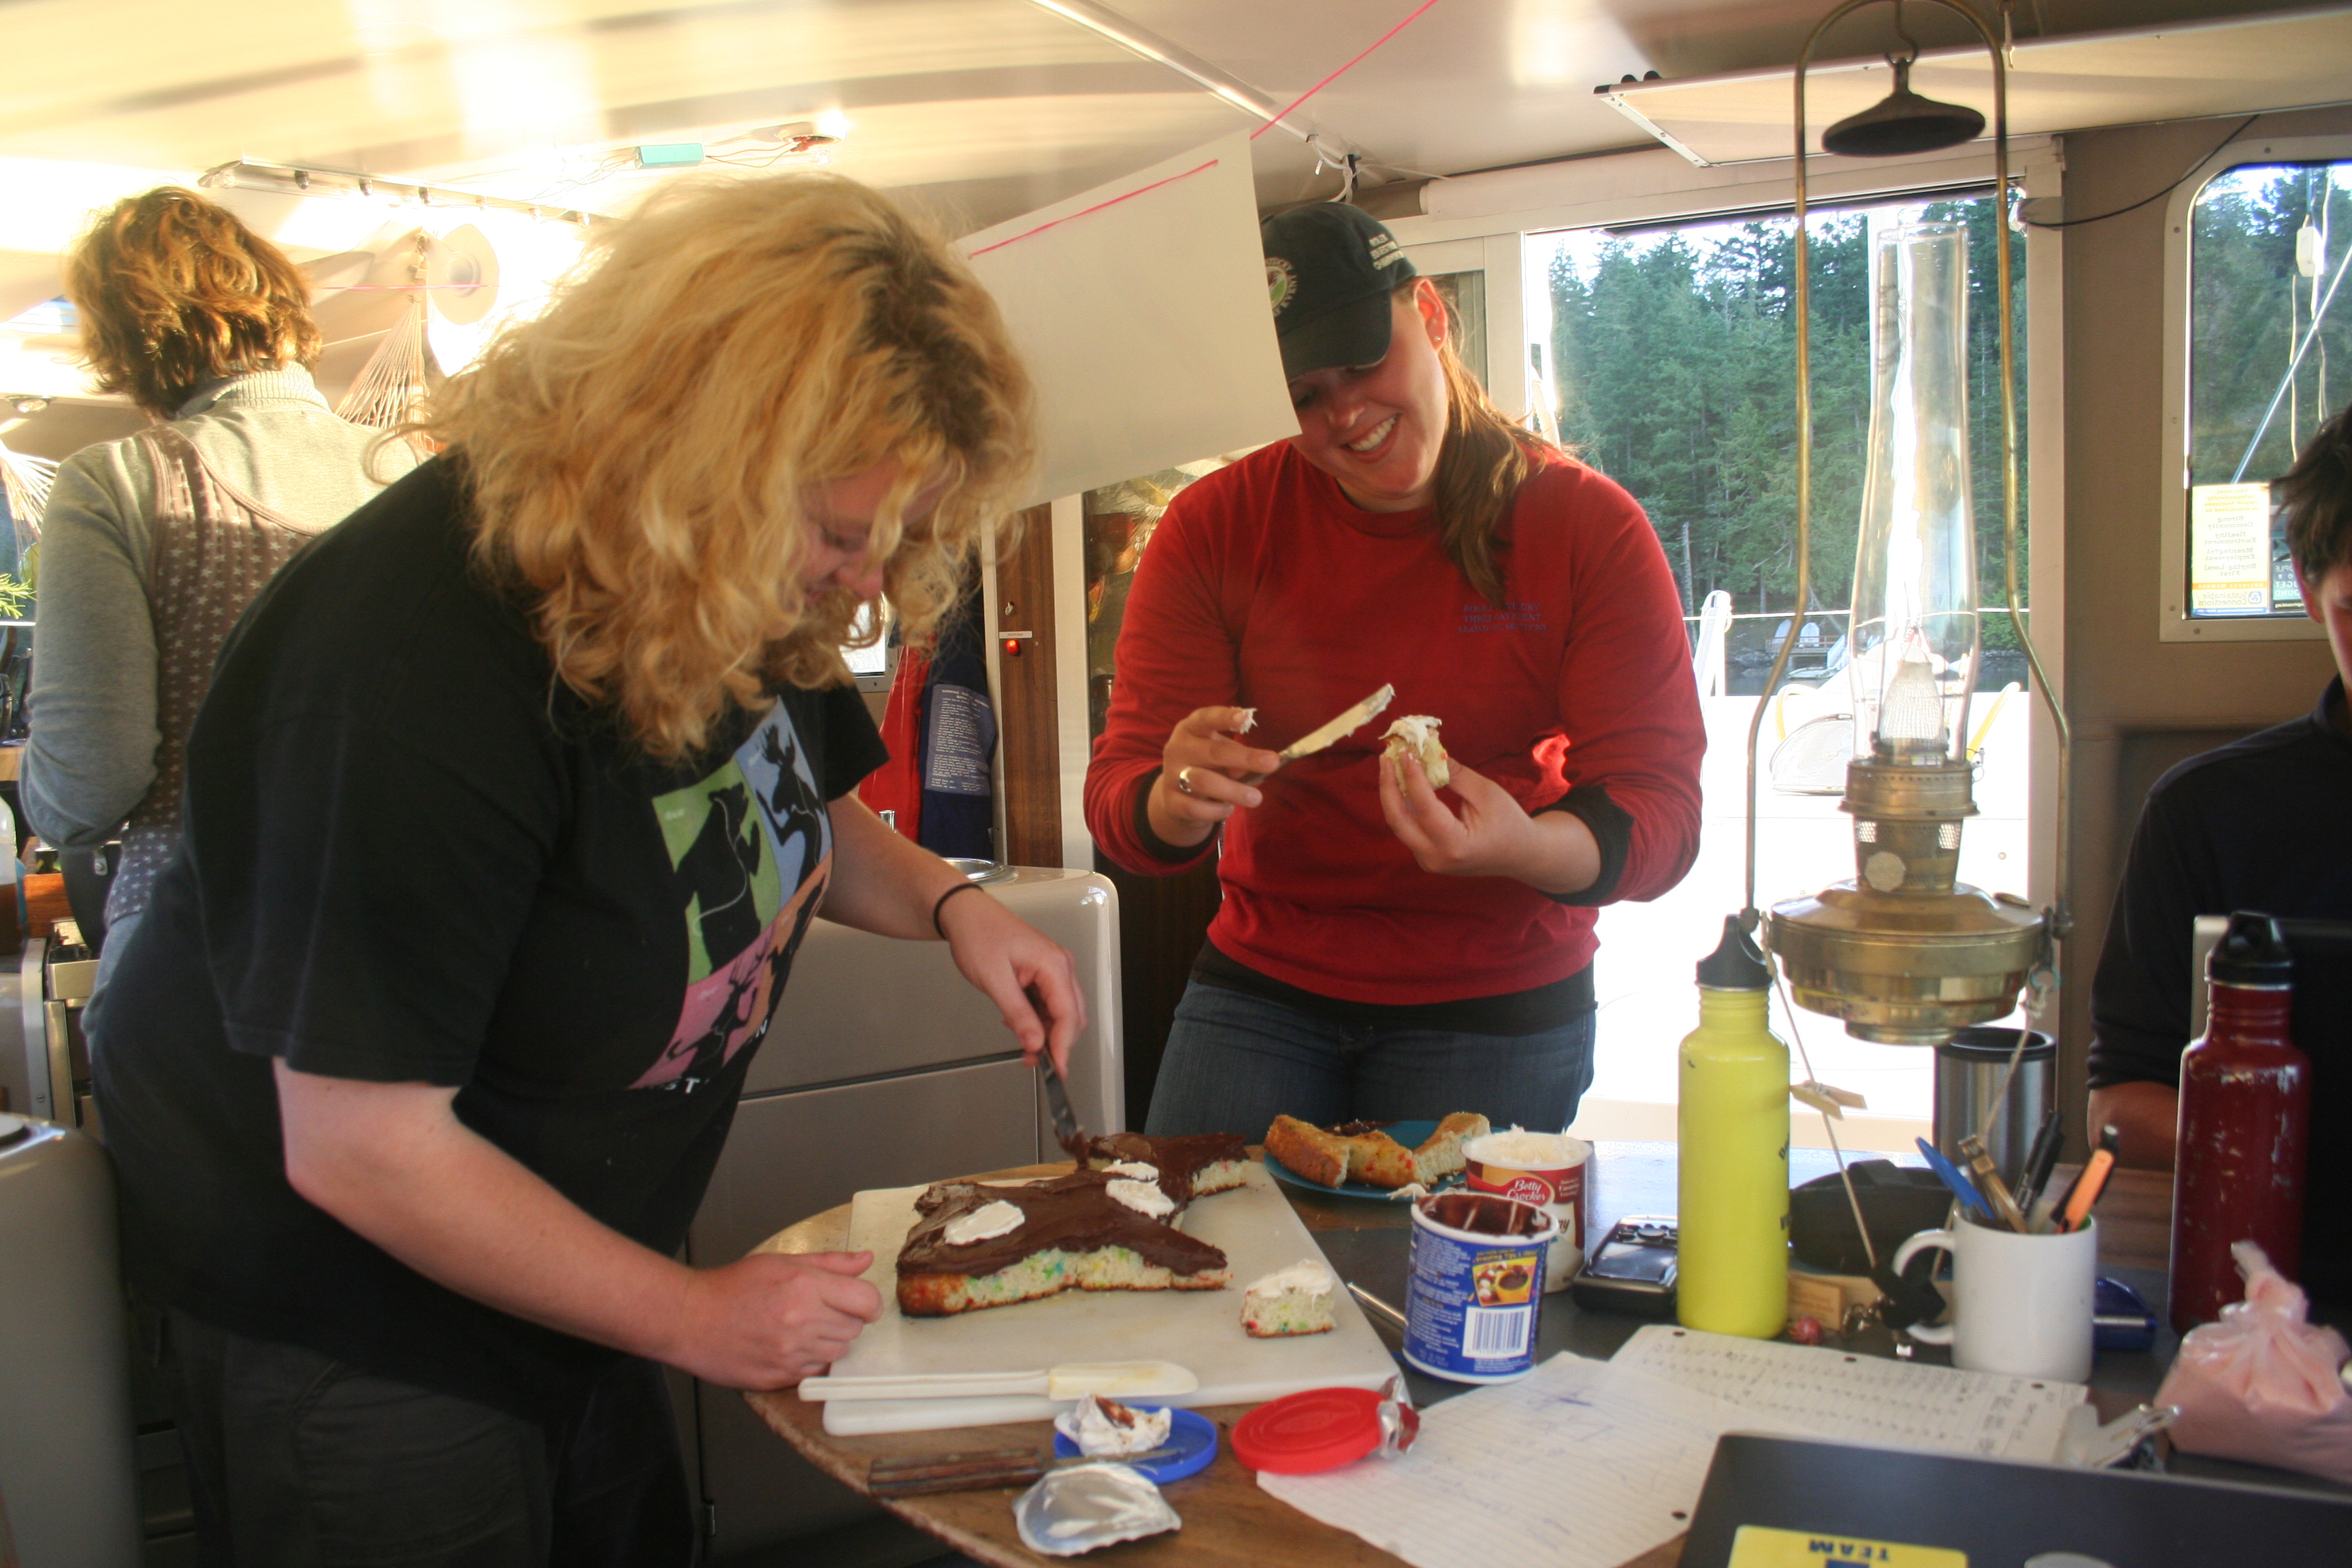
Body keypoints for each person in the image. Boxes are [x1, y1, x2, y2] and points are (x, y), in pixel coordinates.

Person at [93, 172, 1081, 1567]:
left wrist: (952, 903)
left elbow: (792, 804)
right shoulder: (409, 667)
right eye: (840, 536)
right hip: (362, 1323)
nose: (866, 585)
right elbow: (363, 1147)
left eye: (892, 543)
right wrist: (695, 1315)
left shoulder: (728, 576)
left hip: (567, 1265)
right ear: (699, 459)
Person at [1084, 202, 1703, 1139]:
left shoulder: (1585, 527)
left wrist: (1524, 848)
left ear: (1432, 315)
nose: (1345, 414)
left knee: (1440, 1243)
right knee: (1199, 1226)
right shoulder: (1213, 529)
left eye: (1363, 362)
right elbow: (1121, 797)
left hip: (1497, 998)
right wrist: (1175, 799)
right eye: (1303, 395)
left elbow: (1660, 812)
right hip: (1265, 986)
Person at [20, 187, 413, 992]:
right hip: (409, 940)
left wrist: (42, 791)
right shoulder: (410, 472)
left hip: (204, 955)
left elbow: (89, 786)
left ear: (125, 336)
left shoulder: (119, 481)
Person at [2087, 400, 2352, 1308]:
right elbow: (2120, 1106)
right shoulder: (2206, 813)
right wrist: (2282, 1135)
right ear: (2312, 594)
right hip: (2262, 1305)